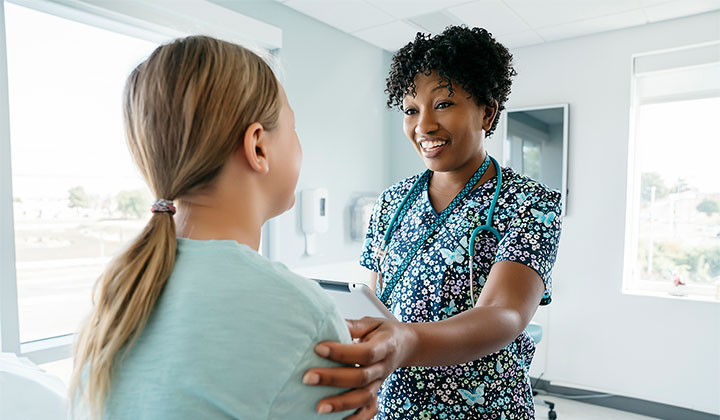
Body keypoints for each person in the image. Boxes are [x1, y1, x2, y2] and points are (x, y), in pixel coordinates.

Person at [68, 36, 354, 419]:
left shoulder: (116, 298)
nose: (299, 143)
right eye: (293, 128)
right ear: (258, 147)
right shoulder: (305, 315)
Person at [303, 26, 563, 419]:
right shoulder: (391, 203)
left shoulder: (529, 202)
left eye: (443, 104)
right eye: (411, 110)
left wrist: (405, 341)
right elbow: (374, 308)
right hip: (395, 406)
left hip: (485, 409)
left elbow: (504, 314)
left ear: (487, 112)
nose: (423, 126)